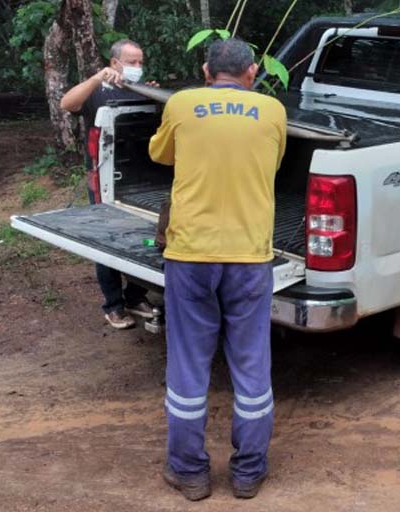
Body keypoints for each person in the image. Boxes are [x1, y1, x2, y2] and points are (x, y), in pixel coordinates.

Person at [149, 38, 287, 501]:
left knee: (188, 365)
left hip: (190, 256)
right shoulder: (272, 111)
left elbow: (159, 155)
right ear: (252, 73)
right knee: (251, 365)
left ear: (206, 70)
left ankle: (189, 472)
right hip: (250, 257)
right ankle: (248, 473)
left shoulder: (182, 103)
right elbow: (275, 161)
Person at [60, 39, 156, 330]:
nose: (136, 67)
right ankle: (113, 305)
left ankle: (136, 296)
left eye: (140, 62)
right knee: (108, 240)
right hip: (104, 178)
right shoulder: (97, 90)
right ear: (115, 63)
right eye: (131, 62)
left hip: (143, 180)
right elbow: (67, 103)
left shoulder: (141, 89)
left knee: (145, 238)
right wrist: (95, 78)